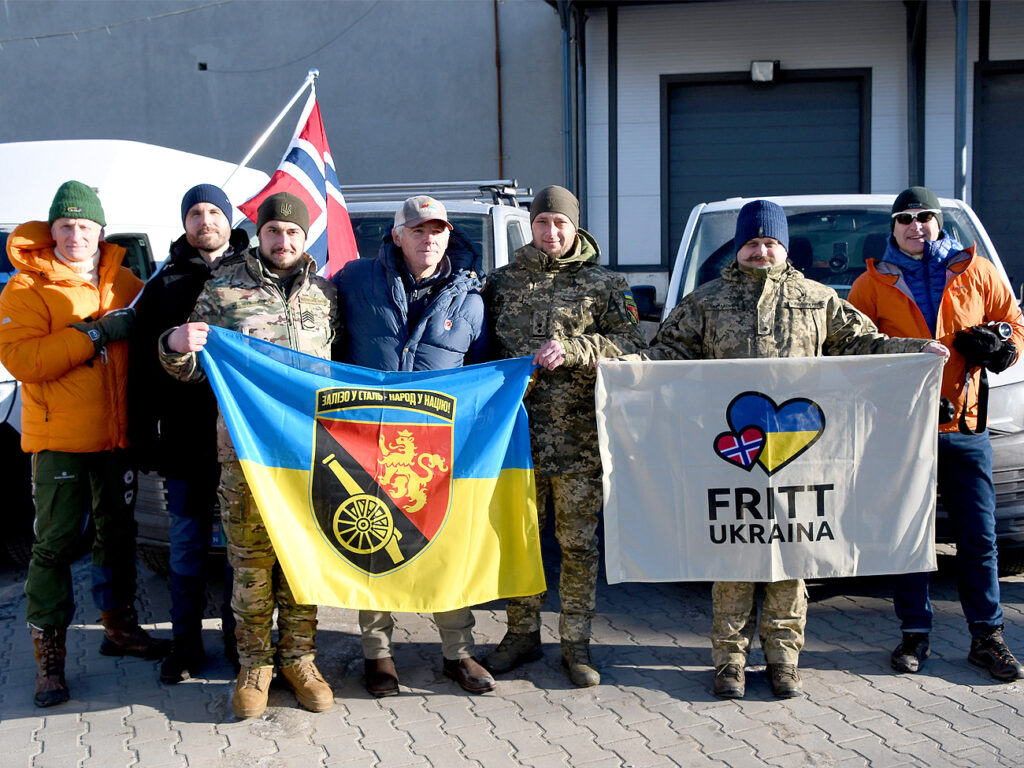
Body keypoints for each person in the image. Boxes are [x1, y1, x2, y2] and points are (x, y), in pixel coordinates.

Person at [641, 199, 945, 699]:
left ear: (783, 246)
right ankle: (729, 662)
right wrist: (612, 364)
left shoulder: (817, 299)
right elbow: (664, 358)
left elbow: (863, 346)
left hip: (800, 457)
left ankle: (783, 660)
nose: (761, 251)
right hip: (732, 458)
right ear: (739, 248)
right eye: (752, 243)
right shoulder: (704, 302)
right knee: (733, 557)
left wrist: (915, 350)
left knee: (790, 558)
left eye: (770, 242)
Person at [160, 192, 338, 718]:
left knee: (303, 560)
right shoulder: (223, 291)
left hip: (309, 457)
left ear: (305, 239)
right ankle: (255, 664)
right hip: (245, 458)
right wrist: (173, 345)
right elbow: (194, 370)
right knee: (252, 565)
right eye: (273, 232)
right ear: (258, 235)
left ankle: (299, 658)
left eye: (293, 234)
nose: (283, 242)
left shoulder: (325, 296)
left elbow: (339, 375)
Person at [0, 181, 171, 708]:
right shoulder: (26, 287)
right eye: (65, 226)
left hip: (115, 438)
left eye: (85, 225)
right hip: (59, 443)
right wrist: (94, 335)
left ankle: (118, 627)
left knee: (116, 537)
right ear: (51, 231)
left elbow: (158, 329)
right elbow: (23, 361)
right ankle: (48, 656)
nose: (76, 235)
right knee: (52, 546)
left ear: (101, 229)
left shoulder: (125, 282)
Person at [848, 186, 1024, 682]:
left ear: (938, 222)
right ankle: (914, 634)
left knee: (980, 539)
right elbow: (858, 353)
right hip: (904, 432)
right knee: (910, 537)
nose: (915, 225)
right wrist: (904, 392)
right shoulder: (871, 284)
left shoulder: (978, 271)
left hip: (967, 429)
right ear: (893, 227)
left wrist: (1001, 347)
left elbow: (1013, 323)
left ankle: (987, 637)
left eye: (924, 216)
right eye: (904, 218)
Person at [483, 185, 647, 687]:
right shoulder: (502, 283)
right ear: (529, 226)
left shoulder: (605, 284)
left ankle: (576, 644)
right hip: (516, 440)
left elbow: (637, 349)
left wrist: (578, 347)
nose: (551, 233)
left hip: (580, 441)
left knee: (578, 547)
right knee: (520, 540)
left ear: (576, 227)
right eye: (542, 223)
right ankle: (521, 633)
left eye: (561, 224)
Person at [332, 195, 494, 697]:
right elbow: (328, 351)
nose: (429, 239)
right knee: (375, 545)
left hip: (438, 448)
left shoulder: (470, 297)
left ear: (448, 237)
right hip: (366, 440)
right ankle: (378, 655)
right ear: (397, 235)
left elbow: (484, 372)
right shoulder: (355, 281)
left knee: (445, 548)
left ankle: (458, 652)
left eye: (438, 231)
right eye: (419, 230)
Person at [129, 184, 251, 684]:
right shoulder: (165, 282)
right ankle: (184, 646)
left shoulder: (252, 274)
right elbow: (140, 364)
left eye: (214, 212)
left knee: (239, 549)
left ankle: (237, 641)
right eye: (196, 213)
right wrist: (143, 436)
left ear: (228, 218)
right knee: (186, 544)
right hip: (183, 440)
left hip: (241, 438)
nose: (206, 221)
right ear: (185, 223)